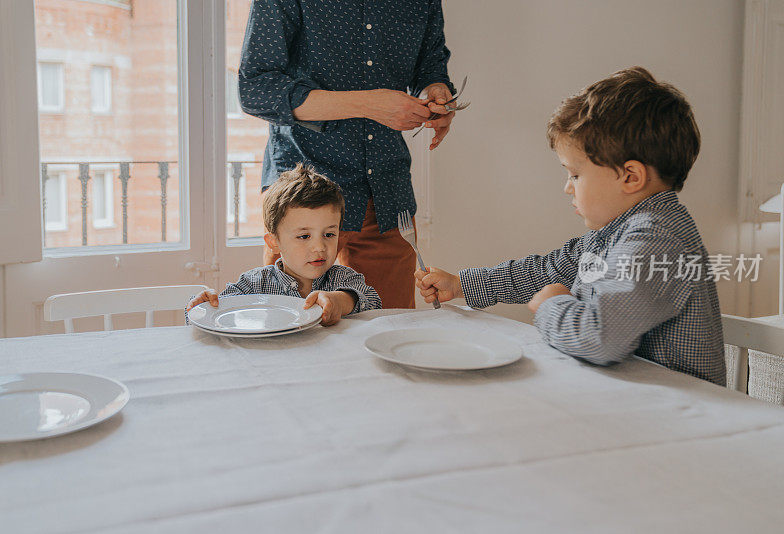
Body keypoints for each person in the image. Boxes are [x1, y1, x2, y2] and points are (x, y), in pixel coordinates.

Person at [415, 67, 726, 385]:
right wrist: (462, 285)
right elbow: (543, 271)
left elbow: (600, 338)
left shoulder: (656, 240)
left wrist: (550, 305)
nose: (568, 187)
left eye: (575, 174)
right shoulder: (613, 234)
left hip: (685, 412)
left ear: (631, 177)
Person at [238, 0, 456, 309]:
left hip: (384, 195)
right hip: (305, 198)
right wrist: (368, 104)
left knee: (390, 332)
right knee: (293, 339)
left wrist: (433, 93)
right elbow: (255, 89)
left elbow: (429, 64)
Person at [187, 164, 381, 326]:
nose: (319, 247)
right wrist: (203, 306)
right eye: (304, 236)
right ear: (274, 243)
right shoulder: (255, 283)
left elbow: (374, 303)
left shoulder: (343, 278)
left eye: (329, 234)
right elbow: (215, 316)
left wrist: (340, 301)